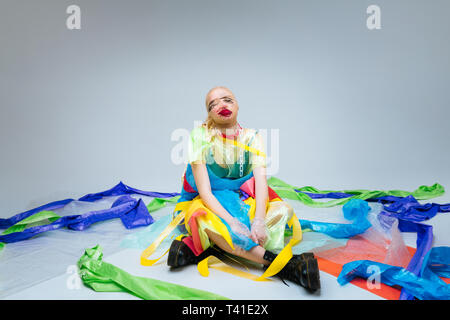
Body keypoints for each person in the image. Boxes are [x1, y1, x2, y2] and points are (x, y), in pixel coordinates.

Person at [167, 86, 320, 292]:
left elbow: (261, 183)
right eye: (213, 104)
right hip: (204, 203)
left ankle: (198, 248)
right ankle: (288, 266)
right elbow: (205, 193)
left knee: (279, 213)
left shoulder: (253, 137)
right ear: (209, 113)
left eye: (227, 100)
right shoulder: (200, 136)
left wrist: (258, 221)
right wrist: (232, 222)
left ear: (237, 105)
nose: (221, 105)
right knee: (211, 222)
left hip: (241, 200)